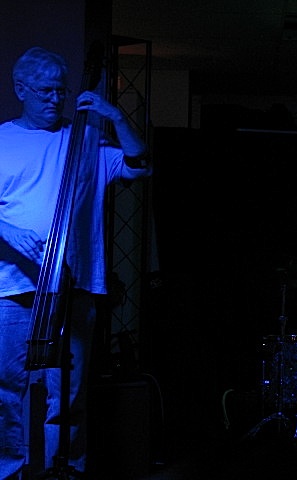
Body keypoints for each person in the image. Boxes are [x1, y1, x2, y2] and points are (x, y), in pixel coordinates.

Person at [0, 46, 152, 478]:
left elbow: (139, 161)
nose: (55, 99)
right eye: (45, 91)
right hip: (14, 285)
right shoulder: (2, 140)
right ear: (21, 89)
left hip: (75, 283)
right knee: (6, 390)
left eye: (61, 91)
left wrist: (114, 116)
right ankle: (8, 470)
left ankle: (62, 470)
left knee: (67, 392)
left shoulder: (84, 138)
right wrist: (7, 230)